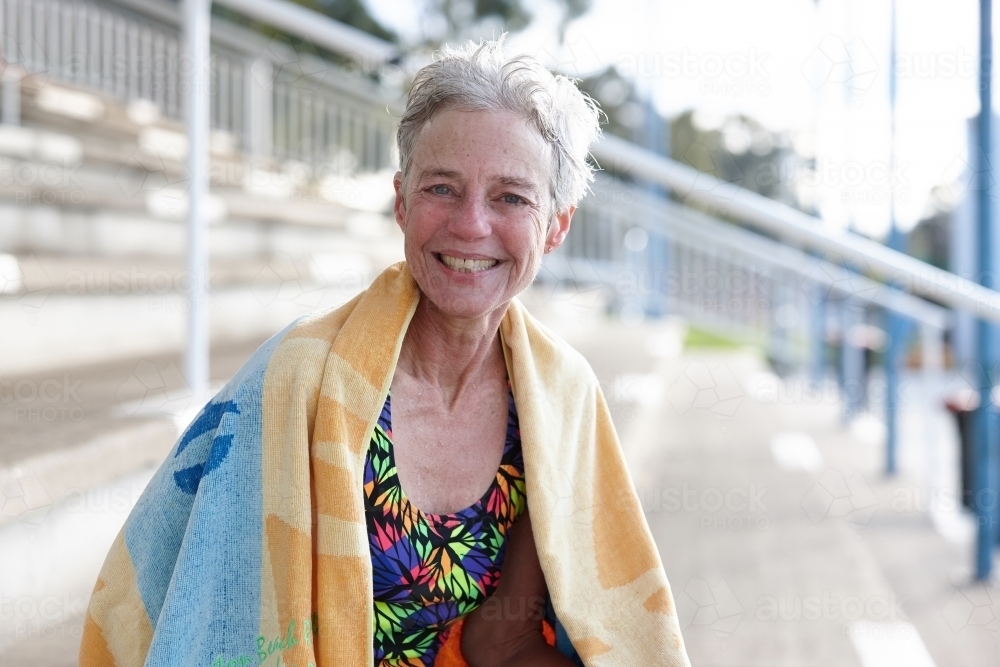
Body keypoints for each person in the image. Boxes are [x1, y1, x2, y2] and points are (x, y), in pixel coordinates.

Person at [80, 38, 689, 667]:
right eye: (442, 189)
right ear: (401, 201)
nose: (472, 225)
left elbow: (502, 644)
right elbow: (215, 619)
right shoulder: (299, 378)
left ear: (555, 226)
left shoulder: (559, 396)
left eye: (511, 197)